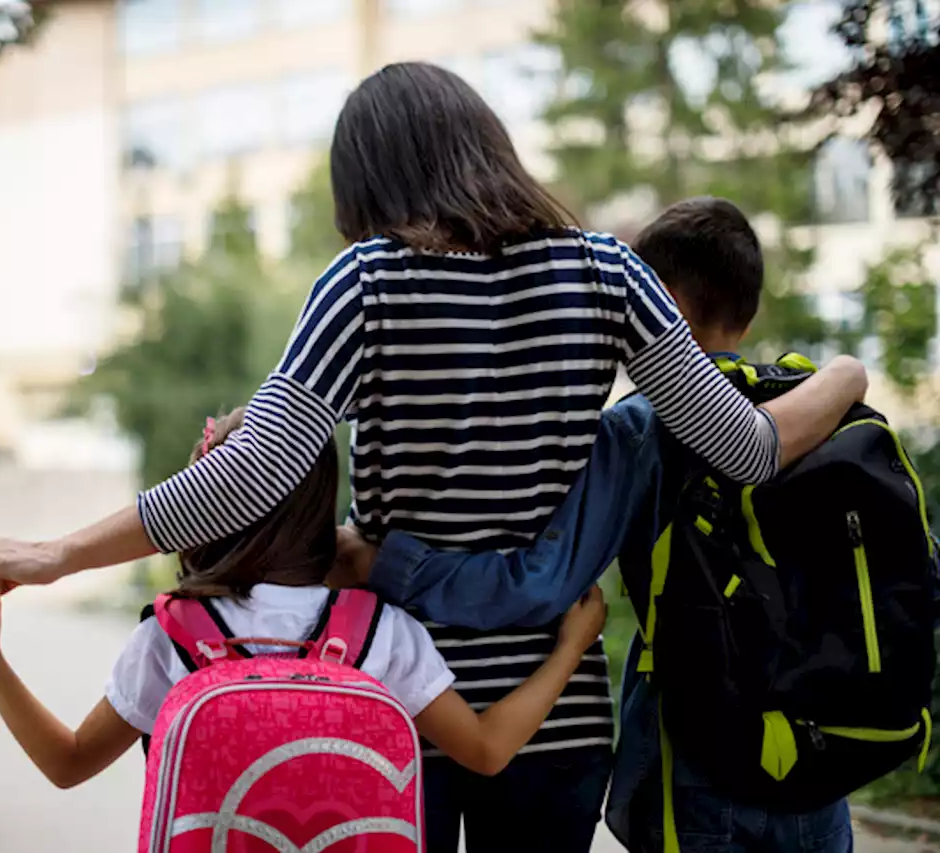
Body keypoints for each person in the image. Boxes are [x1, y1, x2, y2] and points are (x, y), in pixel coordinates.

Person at [0, 64, 865, 852]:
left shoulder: (365, 281)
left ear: (370, 178)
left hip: (393, 698)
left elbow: (251, 472)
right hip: (557, 707)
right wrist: (845, 374)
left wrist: (58, 554)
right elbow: (748, 450)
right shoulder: (606, 271)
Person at [334, 197, 862, 852]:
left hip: (701, 755)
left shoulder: (639, 430)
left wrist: (381, 562)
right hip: (822, 762)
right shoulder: (815, 408)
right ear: (746, 315)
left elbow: (538, 582)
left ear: (654, 304)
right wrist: (848, 372)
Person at [0, 408, 608, 802]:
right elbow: (488, 750)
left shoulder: (172, 637)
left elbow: (66, 763)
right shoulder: (380, 632)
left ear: (202, 506)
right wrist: (570, 649)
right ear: (323, 505)